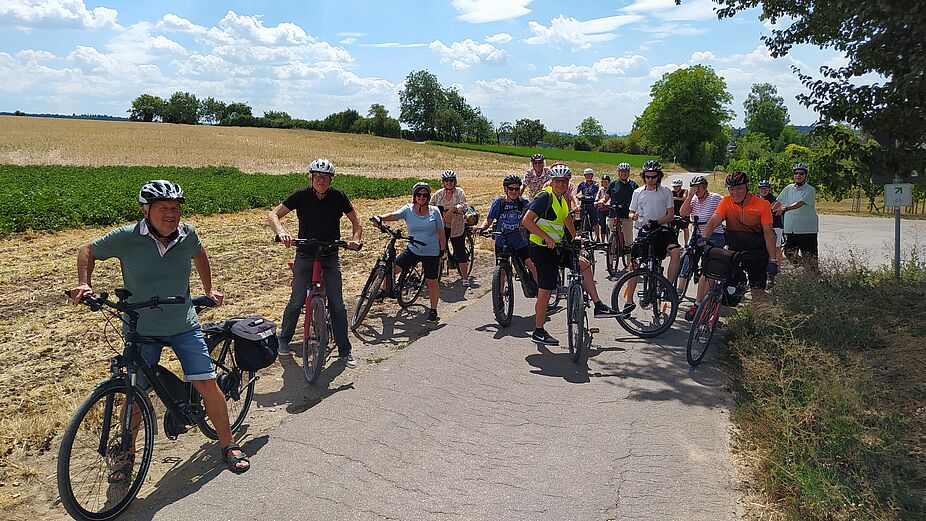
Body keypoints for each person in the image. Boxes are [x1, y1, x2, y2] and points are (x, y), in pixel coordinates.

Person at [69, 180, 251, 477]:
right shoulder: (126, 237)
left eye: (175, 208)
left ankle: (228, 444)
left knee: (206, 384)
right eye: (163, 208)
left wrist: (209, 287)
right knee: (135, 390)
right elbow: (87, 250)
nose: (171, 214)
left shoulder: (187, 233)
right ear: (145, 210)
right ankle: (126, 456)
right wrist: (84, 282)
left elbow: (200, 254)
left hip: (182, 322)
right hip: (140, 326)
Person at [269, 158, 363, 368]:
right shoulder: (301, 195)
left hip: (330, 253)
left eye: (326, 177)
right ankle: (283, 339)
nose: (321, 180)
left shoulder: (338, 197)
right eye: (318, 176)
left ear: (331, 180)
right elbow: (274, 214)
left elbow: (356, 221)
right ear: (311, 178)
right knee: (297, 299)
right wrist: (282, 232)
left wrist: (355, 239)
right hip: (305, 253)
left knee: (337, 304)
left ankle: (345, 350)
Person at [521, 164, 621, 345]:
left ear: (568, 183)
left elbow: (566, 217)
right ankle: (538, 330)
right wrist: (546, 237)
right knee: (546, 291)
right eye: (558, 181)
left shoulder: (561, 199)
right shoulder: (545, 196)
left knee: (583, 263)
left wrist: (575, 237)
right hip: (541, 249)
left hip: (556, 247)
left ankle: (598, 306)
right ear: (551, 181)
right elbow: (526, 221)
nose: (561, 184)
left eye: (564, 181)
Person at [700, 171, 779, 298]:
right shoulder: (726, 201)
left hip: (757, 253)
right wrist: (704, 236)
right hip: (734, 251)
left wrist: (773, 260)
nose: (734, 192)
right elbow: (713, 221)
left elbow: (768, 233)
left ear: (747, 186)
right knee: (724, 287)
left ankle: (760, 317)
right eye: (731, 189)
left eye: (739, 188)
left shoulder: (762, 205)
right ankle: (705, 308)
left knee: (757, 293)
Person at [376, 182, 446, 323]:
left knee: (431, 282)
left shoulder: (434, 211)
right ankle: (383, 290)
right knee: (391, 268)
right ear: (414, 196)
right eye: (419, 195)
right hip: (413, 249)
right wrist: (380, 217)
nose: (421, 197)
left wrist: (443, 251)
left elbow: (441, 231)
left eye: (425, 195)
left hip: (431, 252)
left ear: (428, 197)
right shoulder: (408, 209)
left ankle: (433, 310)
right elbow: (394, 215)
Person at [621, 160, 682, 313]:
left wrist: (657, 222)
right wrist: (633, 215)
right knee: (633, 264)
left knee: (675, 253)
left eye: (653, 177)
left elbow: (670, 215)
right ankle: (629, 302)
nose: (650, 180)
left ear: (659, 176)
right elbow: (631, 212)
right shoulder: (638, 192)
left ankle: (667, 286)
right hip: (644, 230)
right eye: (647, 177)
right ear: (644, 176)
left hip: (662, 229)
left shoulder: (666, 192)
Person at [678, 175, 725, 319]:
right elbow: (683, 213)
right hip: (696, 235)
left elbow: (725, 212)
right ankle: (678, 290)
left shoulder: (716, 198)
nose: (696, 190)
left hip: (714, 235)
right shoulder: (693, 199)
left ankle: (699, 303)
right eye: (694, 187)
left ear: (705, 187)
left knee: (708, 267)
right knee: (686, 259)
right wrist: (689, 196)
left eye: (698, 187)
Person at [474, 174, 537, 282]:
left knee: (533, 266)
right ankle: (499, 295)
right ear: (505, 189)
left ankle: (541, 293)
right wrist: (482, 228)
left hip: (520, 241)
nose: (514, 191)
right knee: (501, 271)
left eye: (517, 189)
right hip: (502, 241)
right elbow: (489, 220)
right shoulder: (499, 203)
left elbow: (532, 220)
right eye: (511, 189)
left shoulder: (524, 203)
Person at [773, 163, 819, 270]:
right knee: (788, 252)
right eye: (796, 173)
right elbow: (779, 202)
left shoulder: (810, 189)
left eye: (801, 173)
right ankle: (805, 267)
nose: (798, 175)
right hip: (791, 229)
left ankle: (813, 274)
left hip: (807, 229)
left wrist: (785, 209)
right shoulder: (788, 188)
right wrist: (771, 212)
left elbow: (800, 203)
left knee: (810, 256)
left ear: (805, 175)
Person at [431, 170, 470, 286]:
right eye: (446, 181)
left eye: (451, 180)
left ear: (455, 181)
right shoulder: (439, 194)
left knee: (460, 251)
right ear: (443, 182)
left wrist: (453, 209)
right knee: (438, 250)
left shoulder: (459, 192)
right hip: (442, 226)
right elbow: (430, 205)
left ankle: (464, 277)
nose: (449, 183)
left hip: (456, 226)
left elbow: (463, 205)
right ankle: (436, 274)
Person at [599, 162, 638, 267]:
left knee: (629, 240)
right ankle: (611, 262)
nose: (623, 174)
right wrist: (602, 201)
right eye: (621, 172)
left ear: (628, 172)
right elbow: (606, 197)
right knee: (612, 239)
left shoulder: (633, 185)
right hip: (614, 213)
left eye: (625, 172)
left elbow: (638, 200)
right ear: (618, 173)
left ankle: (631, 264)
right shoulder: (613, 184)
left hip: (627, 214)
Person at [757, 179, 784, 263]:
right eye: (761, 188)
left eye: (765, 188)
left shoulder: (774, 199)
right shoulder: (756, 199)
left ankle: (778, 267)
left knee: (776, 247)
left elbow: (776, 208)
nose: (763, 190)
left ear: (769, 189)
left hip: (775, 226)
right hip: (762, 226)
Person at [576, 168, 599, 238]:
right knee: (579, 218)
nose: (588, 176)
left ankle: (598, 237)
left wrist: (591, 197)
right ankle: (579, 234)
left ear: (592, 175)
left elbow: (596, 193)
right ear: (584, 176)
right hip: (583, 203)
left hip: (592, 204)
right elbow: (575, 192)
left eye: (590, 175)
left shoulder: (595, 184)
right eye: (587, 175)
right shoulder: (582, 184)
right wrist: (577, 197)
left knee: (595, 221)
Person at [671, 178, 690, 244]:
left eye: (677, 186)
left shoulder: (685, 191)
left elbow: (685, 198)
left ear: (680, 186)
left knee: (685, 228)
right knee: (671, 228)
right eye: (674, 186)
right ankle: (673, 243)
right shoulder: (671, 192)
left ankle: (686, 244)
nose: (675, 188)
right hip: (674, 212)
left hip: (683, 212)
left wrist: (675, 198)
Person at [595, 175, 611, 242]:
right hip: (602, 208)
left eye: (606, 182)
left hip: (609, 207)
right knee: (602, 225)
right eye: (603, 182)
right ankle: (603, 241)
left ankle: (611, 240)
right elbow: (597, 196)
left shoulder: (611, 189)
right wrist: (596, 200)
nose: (604, 183)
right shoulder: (601, 189)